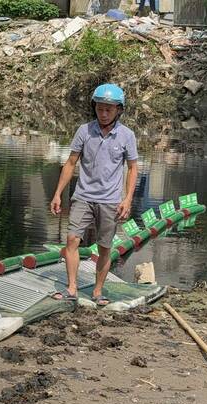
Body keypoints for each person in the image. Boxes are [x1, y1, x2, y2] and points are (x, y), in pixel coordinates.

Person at [49, 84, 138, 306]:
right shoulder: (84, 131)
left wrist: (127, 199)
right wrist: (58, 193)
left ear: (119, 110)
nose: (104, 113)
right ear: (94, 108)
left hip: (110, 200)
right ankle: (71, 287)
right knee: (71, 240)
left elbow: (133, 168)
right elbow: (71, 163)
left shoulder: (127, 136)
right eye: (100, 109)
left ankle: (98, 291)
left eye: (109, 109)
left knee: (105, 247)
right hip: (83, 196)